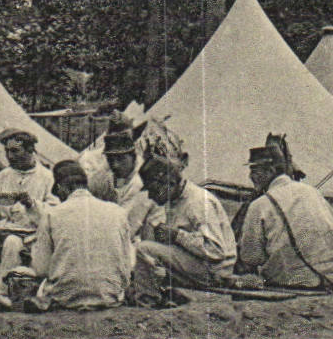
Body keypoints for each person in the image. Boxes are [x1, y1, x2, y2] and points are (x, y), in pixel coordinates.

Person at [237, 145, 333, 293]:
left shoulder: (259, 205)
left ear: (270, 171)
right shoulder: (312, 192)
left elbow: (251, 257)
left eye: (254, 171)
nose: (250, 177)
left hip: (292, 280)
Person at [0, 128, 57, 311]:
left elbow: (53, 214)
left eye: (15, 151)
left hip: (30, 236)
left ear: (30, 150)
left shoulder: (47, 178)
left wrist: (32, 204)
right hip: (1, 229)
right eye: (7, 151)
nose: (9, 156)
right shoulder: (2, 177)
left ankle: (3, 297)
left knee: (12, 243)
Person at [128, 154, 237, 306]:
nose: (151, 196)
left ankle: (148, 302)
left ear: (169, 183)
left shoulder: (197, 202)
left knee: (144, 249)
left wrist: (176, 236)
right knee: (148, 251)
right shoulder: (175, 198)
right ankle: (152, 296)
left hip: (215, 271)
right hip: (202, 266)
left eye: (154, 190)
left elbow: (216, 251)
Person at [25, 160, 134, 312]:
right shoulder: (118, 212)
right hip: (109, 295)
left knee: (39, 285)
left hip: (65, 297)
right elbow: (128, 264)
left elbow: (41, 269)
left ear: (62, 188)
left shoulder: (51, 214)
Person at [85, 125, 143, 208]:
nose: (115, 165)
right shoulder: (110, 174)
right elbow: (90, 186)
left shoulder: (140, 182)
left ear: (133, 156)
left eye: (120, 159)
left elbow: (123, 217)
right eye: (110, 159)